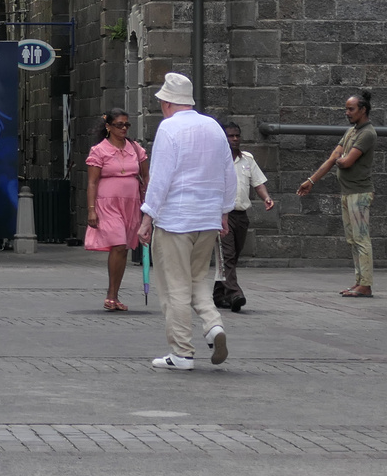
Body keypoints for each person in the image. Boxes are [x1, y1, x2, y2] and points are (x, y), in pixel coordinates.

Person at [137, 73, 236, 370]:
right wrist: (224, 211)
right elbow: (228, 172)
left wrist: (147, 217)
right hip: (207, 219)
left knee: (174, 287)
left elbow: (160, 178)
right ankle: (213, 325)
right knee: (197, 280)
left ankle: (181, 352)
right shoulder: (214, 127)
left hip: (175, 220)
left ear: (167, 102)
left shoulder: (169, 129)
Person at [297, 90, 377, 297]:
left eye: (350, 109)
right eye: (346, 109)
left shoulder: (367, 133)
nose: (347, 113)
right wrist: (311, 180)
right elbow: (334, 157)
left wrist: (340, 158)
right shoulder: (351, 132)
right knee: (352, 240)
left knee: (361, 239)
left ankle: (365, 284)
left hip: (359, 193)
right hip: (348, 193)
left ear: (363, 110)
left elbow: (345, 161)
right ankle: (359, 281)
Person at [85, 110, 148, 310]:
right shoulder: (99, 150)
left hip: (131, 203)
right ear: (108, 127)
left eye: (126, 125)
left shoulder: (136, 149)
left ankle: (115, 294)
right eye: (119, 125)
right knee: (119, 244)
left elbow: (147, 177)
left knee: (122, 249)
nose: (123, 129)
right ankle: (110, 295)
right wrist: (91, 210)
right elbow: (92, 183)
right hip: (108, 203)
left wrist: (149, 203)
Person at [217, 121, 273, 313]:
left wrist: (266, 198)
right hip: (223, 215)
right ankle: (235, 294)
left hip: (241, 215)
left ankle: (218, 293)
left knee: (233, 255)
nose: (234, 139)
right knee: (228, 255)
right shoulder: (216, 160)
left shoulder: (247, 159)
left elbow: (257, 182)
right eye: (230, 136)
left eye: (237, 135)